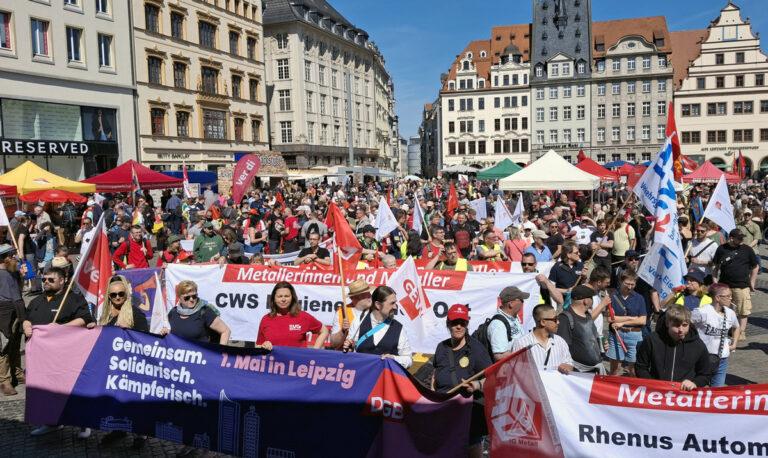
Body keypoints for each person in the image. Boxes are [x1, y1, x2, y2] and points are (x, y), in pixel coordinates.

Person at [25, 267, 93, 437]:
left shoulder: (74, 299)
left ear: (62, 280)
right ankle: (51, 423)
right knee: (46, 391)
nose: (46, 282)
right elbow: (27, 317)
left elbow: (85, 319)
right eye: (44, 280)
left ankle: (83, 424)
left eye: (50, 280)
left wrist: (60, 329)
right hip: (43, 360)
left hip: (66, 357)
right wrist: (25, 324)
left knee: (72, 391)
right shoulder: (37, 300)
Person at [96, 275, 151, 446]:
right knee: (114, 400)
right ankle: (118, 429)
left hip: (132, 366)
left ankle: (140, 434)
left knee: (133, 402)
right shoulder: (104, 315)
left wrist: (129, 332)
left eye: (121, 293)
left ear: (126, 294)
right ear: (109, 296)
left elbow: (145, 339)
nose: (118, 297)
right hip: (112, 366)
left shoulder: (136, 314)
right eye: (114, 295)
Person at [431, 304, 491, 458]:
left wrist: (477, 385)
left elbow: (493, 378)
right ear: (448, 323)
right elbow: (435, 375)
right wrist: (433, 398)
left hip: (469, 413)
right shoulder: (441, 347)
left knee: (471, 451)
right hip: (444, 412)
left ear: (467, 324)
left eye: (462, 323)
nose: (458, 326)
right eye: (454, 322)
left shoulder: (477, 349)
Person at [636, 305, 712, 391]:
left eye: (684, 325)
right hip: (656, 393)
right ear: (667, 323)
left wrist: (695, 383)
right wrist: (652, 384)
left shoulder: (698, 344)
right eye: (676, 326)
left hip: (683, 396)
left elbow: (705, 374)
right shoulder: (652, 340)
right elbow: (641, 367)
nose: (681, 330)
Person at [343, 286, 413, 368]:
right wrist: (349, 350)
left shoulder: (398, 328)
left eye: (395, 303)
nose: (395, 307)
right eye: (392, 303)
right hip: (362, 378)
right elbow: (350, 354)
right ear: (378, 305)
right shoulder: (358, 322)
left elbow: (408, 359)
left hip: (385, 379)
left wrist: (394, 358)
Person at [713, 228, 759, 341]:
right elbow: (715, 266)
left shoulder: (747, 249)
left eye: (742, 238)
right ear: (731, 238)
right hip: (725, 286)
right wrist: (715, 281)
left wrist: (752, 282)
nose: (741, 240)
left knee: (743, 310)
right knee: (724, 309)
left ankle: (741, 332)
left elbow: (755, 266)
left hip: (742, 285)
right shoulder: (721, 249)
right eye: (739, 238)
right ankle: (726, 330)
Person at [691, 283, 740, 387]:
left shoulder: (730, 313)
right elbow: (687, 325)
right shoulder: (702, 312)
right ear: (718, 298)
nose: (731, 298)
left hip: (722, 359)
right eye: (728, 296)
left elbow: (737, 327)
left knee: (717, 392)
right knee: (698, 389)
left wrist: (734, 343)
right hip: (703, 358)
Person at [257, 281, 328, 349]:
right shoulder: (266, 319)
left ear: (292, 298)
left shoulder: (303, 316)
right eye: (280, 296)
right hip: (274, 361)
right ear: (274, 299)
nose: (283, 299)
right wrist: (263, 346)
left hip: (298, 361)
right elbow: (258, 345)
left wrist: (314, 351)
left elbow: (324, 331)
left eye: (287, 296)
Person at [161, 280, 230, 344]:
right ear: (179, 298)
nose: (191, 299)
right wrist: (166, 331)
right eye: (187, 297)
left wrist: (219, 353)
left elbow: (225, 331)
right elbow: (173, 332)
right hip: (179, 355)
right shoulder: (173, 312)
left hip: (201, 355)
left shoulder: (205, 311)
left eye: (194, 296)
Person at [556, 285, 605, 373]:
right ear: (586, 301)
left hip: (594, 371)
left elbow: (590, 339)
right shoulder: (565, 318)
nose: (593, 301)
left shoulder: (588, 316)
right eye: (591, 298)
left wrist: (600, 345)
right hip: (578, 373)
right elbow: (561, 346)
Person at [607, 269, 646, 376]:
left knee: (633, 370)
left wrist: (622, 322)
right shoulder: (613, 295)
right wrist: (632, 318)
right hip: (617, 334)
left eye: (632, 284)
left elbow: (643, 320)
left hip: (634, 335)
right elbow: (610, 319)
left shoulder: (639, 298)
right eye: (627, 284)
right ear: (621, 281)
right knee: (615, 369)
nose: (629, 287)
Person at [512, 304, 574, 373]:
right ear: (543, 322)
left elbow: (569, 363)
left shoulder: (560, 341)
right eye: (555, 319)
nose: (558, 322)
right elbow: (516, 372)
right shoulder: (521, 343)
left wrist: (567, 367)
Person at [0, 245, 24, 396]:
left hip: (16, 309)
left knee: (15, 343)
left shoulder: (12, 271)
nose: (15, 257)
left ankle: (17, 373)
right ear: (5, 258)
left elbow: (18, 290)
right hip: (3, 312)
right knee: (5, 347)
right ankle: (4, 381)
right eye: (13, 255)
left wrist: (21, 276)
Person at [487, 286, 528, 361]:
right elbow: (499, 356)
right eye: (521, 300)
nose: (523, 302)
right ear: (511, 304)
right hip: (507, 370)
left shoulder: (514, 317)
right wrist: (526, 354)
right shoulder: (498, 324)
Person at [330, 279, 373, 349]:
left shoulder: (376, 311)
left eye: (369, 293)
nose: (370, 296)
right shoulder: (342, 312)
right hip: (345, 356)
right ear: (354, 298)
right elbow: (333, 344)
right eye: (365, 294)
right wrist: (343, 331)